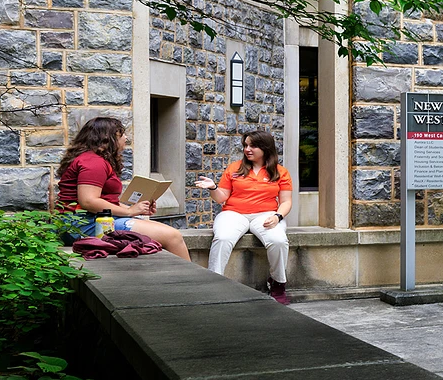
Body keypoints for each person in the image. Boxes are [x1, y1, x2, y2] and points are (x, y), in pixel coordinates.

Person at [55, 116, 190, 260]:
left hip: (91, 220)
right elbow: (88, 201)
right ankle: (193, 282)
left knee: (163, 232)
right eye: (122, 134)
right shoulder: (93, 163)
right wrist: (129, 211)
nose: (126, 138)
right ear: (108, 138)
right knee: (173, 236)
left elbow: (103, 200)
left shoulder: (92, 160)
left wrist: (138, 208)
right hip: (82, 225)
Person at [196, 131, 293, 302]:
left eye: (253, 146)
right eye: (246, 145)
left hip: (266, 214)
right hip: (233, 213)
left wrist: (278, 216)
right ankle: (214, 282)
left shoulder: (280, 172)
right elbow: (221, 198)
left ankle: (278, 282)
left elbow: (286, 201)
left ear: (265, 148)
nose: (247, 149)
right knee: (223, 238)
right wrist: (213, 187)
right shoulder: (234, 168)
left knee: (278, 241)